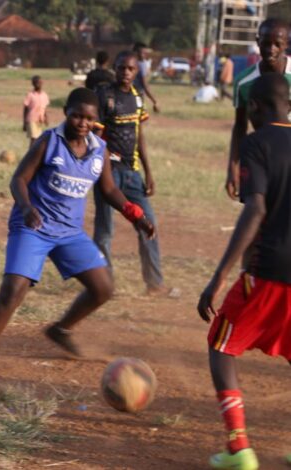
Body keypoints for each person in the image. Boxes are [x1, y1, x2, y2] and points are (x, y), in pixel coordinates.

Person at [0, 88, 155, 372]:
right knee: (14, 289)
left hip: (69, 232)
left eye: (88, 118)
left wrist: (135, 215)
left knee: (103, 288)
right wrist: (27, 208)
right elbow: (19, 180)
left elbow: (109, 189)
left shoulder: (98, 150)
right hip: (34, 226)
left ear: (96, 120)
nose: (82, 122)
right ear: (66, 112)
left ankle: (61, 330)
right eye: (76, 115)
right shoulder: (48, 142)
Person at [197, 73, 291, 470]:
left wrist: (218, 277)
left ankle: (239, 450)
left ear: (254, 107)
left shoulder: (256, 143)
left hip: (267, 269)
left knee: (221, 346)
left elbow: (255, 209)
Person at [93, 50, 174, 297]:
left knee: (148, 224)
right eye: (121, 68)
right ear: (114, 69)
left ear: (137, 72)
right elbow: (95, 136)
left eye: (130, 69)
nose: (125, 73)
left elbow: (140, 136)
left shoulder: (138, 98)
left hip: (132, 172)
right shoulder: (105, 96)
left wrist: (149, 172)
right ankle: (106, 285)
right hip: (109, 174)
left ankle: (154, 283)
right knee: (105, 230)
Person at [226, 18, 291, 200]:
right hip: (260, 157)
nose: (271, 49)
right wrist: (233, 168)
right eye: (265, 43)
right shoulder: (243, 81)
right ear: (257, 42)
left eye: (277, 44)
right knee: (257, 209)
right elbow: (240, 126)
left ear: (287, 44)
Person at [132, 42, 160, 113]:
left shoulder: (128, 61)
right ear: (136, 52)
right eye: (142, 53)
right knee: (139, 117)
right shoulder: (141, 64)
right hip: (137, 94)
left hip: (129, 94)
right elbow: (145, 85)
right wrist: (154, 101)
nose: (144, 55)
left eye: (145, 53)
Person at [22, 75, 50, 143]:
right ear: (33, 84)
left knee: (38, 140)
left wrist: (46, 118)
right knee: (34, 139)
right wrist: (24, 122)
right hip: (31, 119)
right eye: (37, 83)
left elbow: (44, 108)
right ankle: (31, 153)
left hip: (40, 120)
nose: (39, 84)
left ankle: (34, 153)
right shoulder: (30, 95)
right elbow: (25, 109)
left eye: (40, 82)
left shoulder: (44, 95)